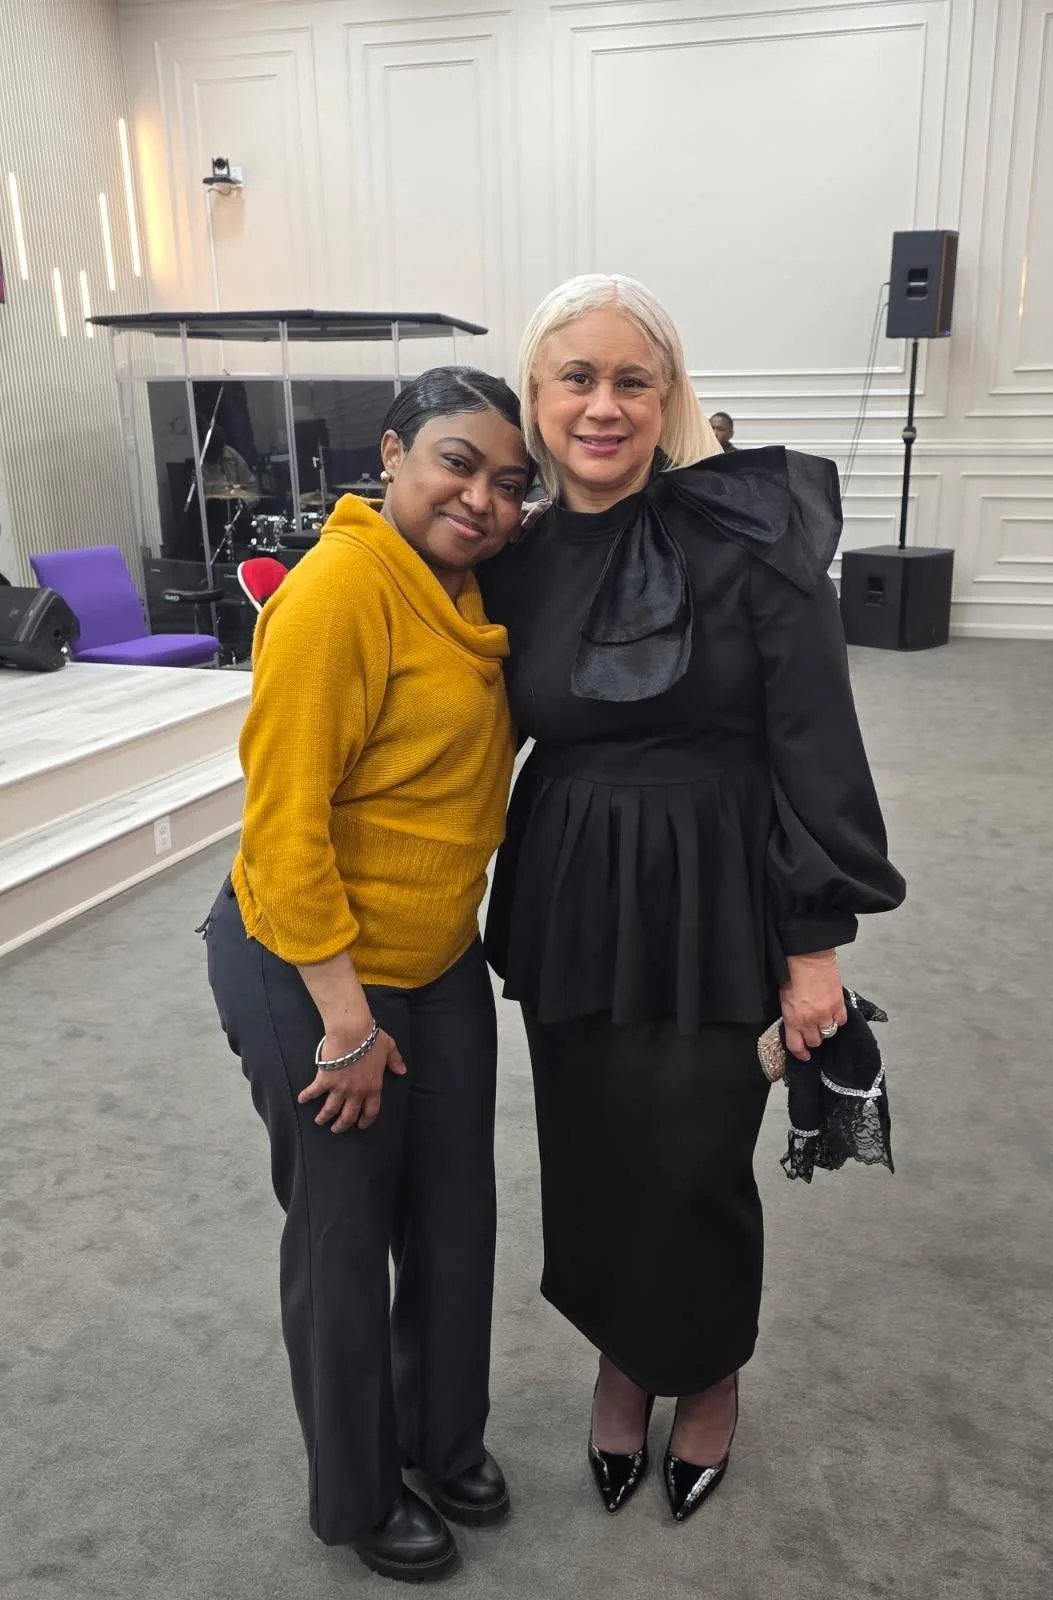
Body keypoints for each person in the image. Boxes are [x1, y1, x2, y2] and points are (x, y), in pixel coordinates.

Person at [478, 277, 905, 1523]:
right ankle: (622, 1355)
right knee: (594, 1149)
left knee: (696, 1155)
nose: (602, 406)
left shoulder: (748, 533)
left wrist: (815, 946)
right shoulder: (517, 550)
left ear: (670, 397)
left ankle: (705, 1370)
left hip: (722, 883)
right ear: (537, 394)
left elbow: (815, 743)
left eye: (632, 380)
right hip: (572, 883)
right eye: (577, 378)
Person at [202, 367, 531, 1582]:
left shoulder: (469, 586)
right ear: (390, 452)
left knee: (455, 1213)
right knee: (344, 1231)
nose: (482, 497)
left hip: (436, 950)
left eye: (508, 481)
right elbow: (279, 832)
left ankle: (445, 1443)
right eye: (456, 461)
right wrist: (344, 1021)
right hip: (308, 958)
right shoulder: (342, 591)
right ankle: (356, 1491)